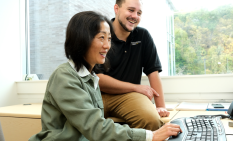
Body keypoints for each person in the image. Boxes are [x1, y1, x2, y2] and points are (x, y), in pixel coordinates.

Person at [28, 11, 181, 141]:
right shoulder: (65, 77)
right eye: (102, 38)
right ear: (82, 39)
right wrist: (150, 136)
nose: (107, 46)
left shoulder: (90, 77)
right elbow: (96, 128)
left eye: (109, 39)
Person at [97, 0, 169, 131]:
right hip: (96, 95)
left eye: (139, 13)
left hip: (127, 96)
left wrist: (160, 106)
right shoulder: (100, 35)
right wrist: (137, 88)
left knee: (152, 121)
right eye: (131, 10)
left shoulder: (143, 36)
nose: (135, 16)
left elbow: (153, 72)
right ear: (116, 9)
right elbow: (97, 79)